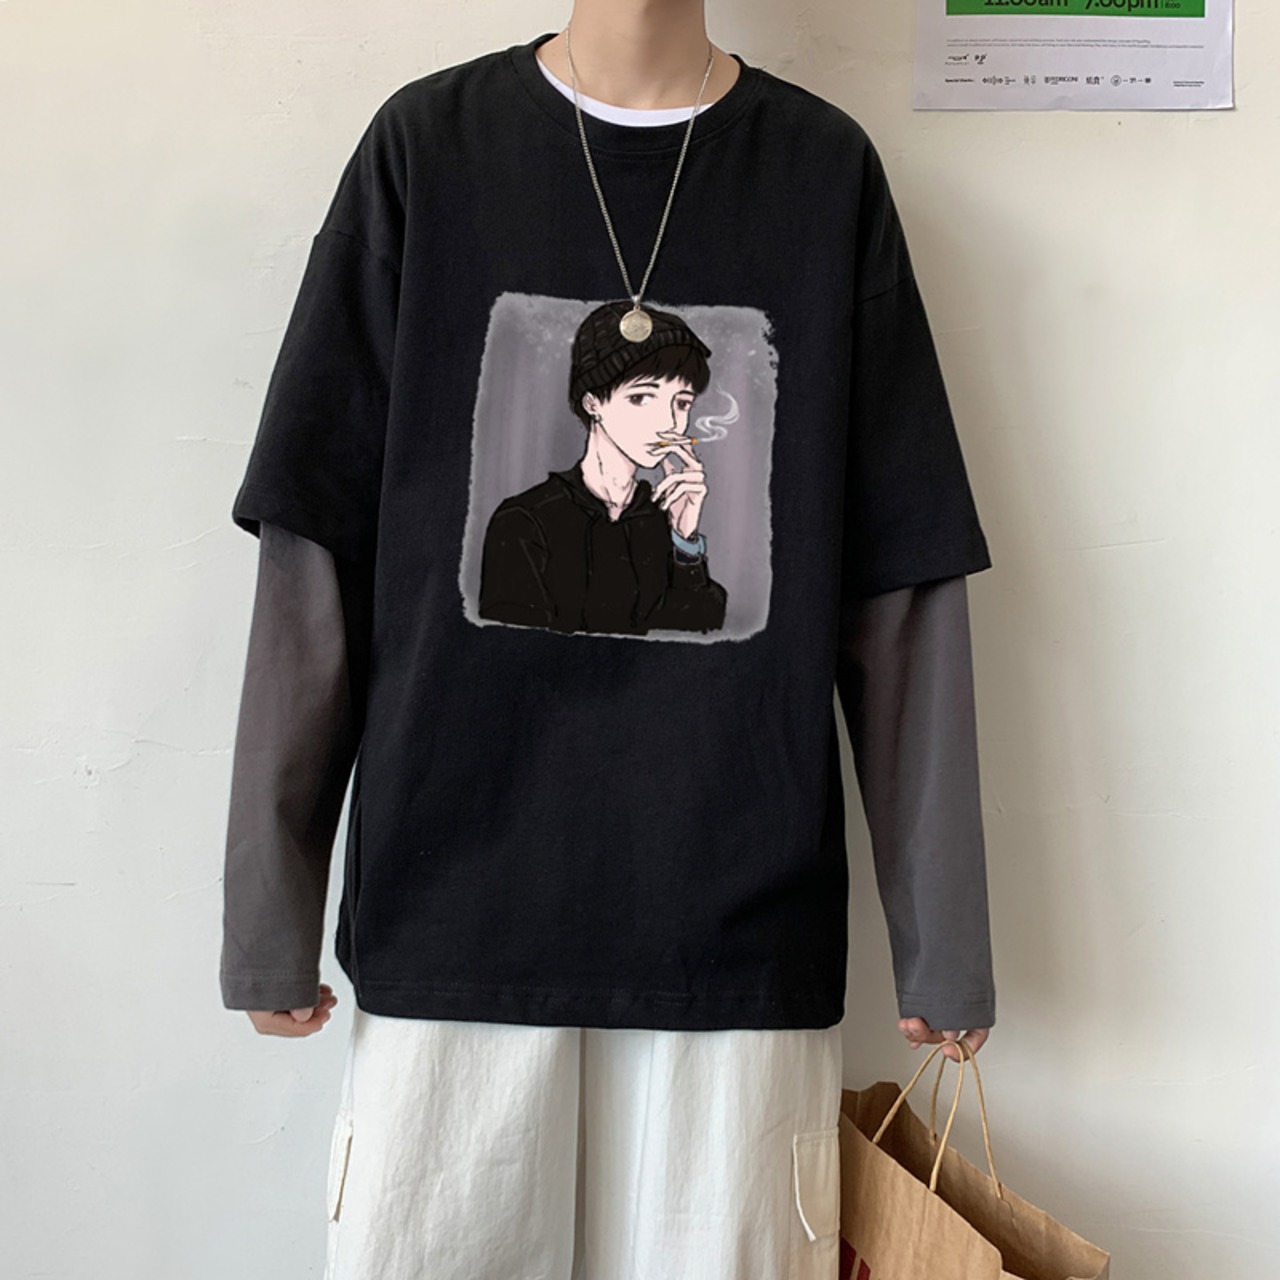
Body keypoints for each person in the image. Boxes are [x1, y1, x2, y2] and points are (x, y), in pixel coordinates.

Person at [221, 5, 997, 1277]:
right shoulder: (430, 149)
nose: (670, 416)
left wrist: (944, 945)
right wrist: (269, 915)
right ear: (591, 397)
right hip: (455, 910)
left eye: (684, 397)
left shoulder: (819, 171)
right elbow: (317, 545)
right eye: (646, 394)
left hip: (736, 922)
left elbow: (900, 581)